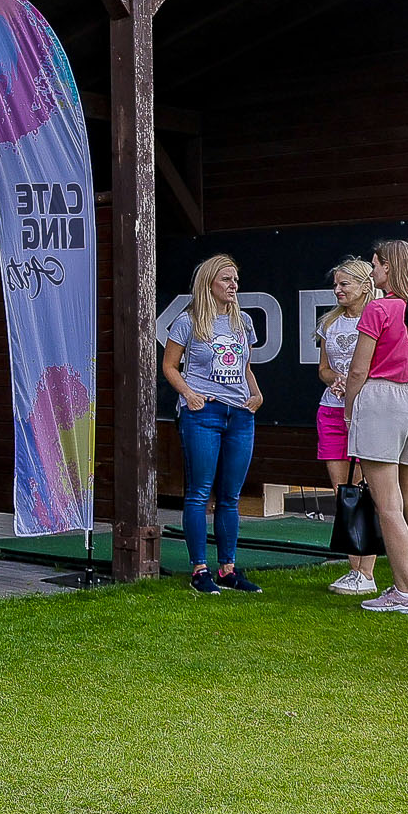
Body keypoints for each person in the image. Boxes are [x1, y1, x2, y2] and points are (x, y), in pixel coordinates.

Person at [345, 240, 408, 615]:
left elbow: (358, 369)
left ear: (390, 267)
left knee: (389, 505)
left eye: (376, 265)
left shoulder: (379, 308)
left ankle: (403, 593)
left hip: (380, 399)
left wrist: (350, 409)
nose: (372, 272)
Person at [162, 254, 265, 596]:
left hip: (239, 414)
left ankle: (228, 568)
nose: (234, 285)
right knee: (199, 492)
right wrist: (189, 395)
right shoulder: (188, 321)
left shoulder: (243, 321)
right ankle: (199, 569)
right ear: (209, 284)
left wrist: (256, 394)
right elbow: (170, 366)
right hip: (203, 412)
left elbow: (245, 367)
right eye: (226, 280)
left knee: (230, 496)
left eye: (236, 279)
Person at [316, 258, 377, 594]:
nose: (338, 291)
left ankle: (367, 571)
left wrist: (356, 384)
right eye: (336, 285)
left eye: (344, 285)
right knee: (343, 493)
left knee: (365, 488)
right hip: (331, 410)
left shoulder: (378, 316)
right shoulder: (330, 323)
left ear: (364, 285)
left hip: (366, 412)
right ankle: (355, 570)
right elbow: (323, 369)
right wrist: (335, 379)